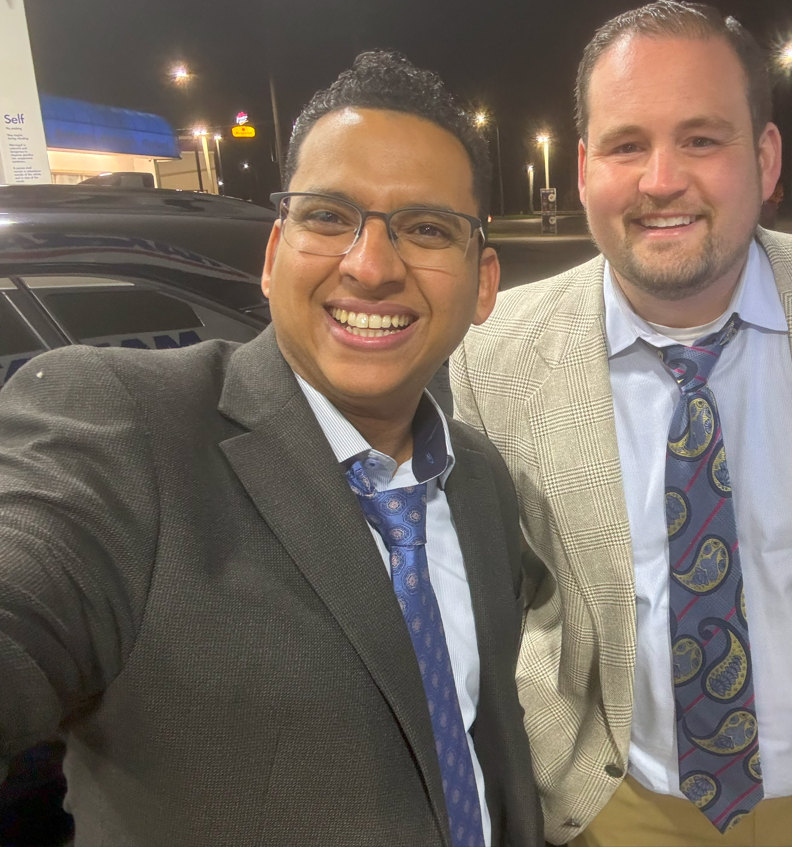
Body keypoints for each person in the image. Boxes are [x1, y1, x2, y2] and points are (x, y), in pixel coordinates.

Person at [451, 2, 792, 847]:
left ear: (765, 157)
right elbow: (503, 597)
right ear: (585, 166)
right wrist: (557, 752)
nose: (660, 179)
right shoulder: (493, 352)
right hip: (621, 811)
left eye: (702, 139)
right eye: (626, 144)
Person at [0, 51, 543, 847]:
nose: (371, 266)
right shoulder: (126, 433)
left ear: (484, 282)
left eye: (427, 228)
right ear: (272, 254)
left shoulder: (479, 480)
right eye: (329, 217)